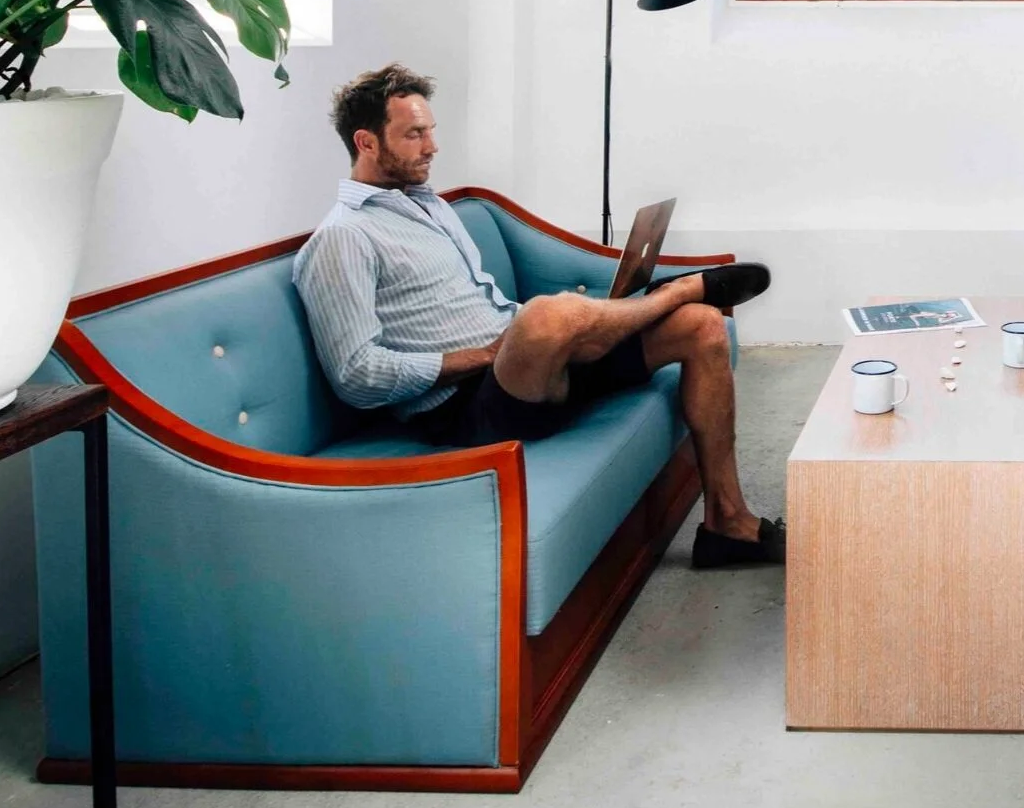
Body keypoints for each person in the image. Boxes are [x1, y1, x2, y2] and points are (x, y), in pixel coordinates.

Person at [293, 63, 782, 568]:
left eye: (431, 131)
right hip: (469, 406)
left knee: (703, 326)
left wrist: (520, 338)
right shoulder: (343, 237)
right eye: (414, 134)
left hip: (531, 369)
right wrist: (483, 355)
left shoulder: (427, 206)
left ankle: (726, 523)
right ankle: (668, 294)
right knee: (546, 316)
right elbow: (356, 375)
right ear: (367, 142)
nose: (432, 146)